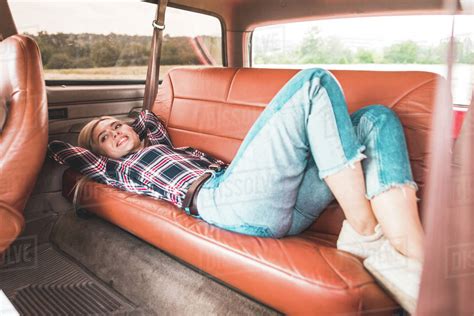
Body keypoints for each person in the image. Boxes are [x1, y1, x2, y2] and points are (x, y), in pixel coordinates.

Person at [49, 68, 424, 312]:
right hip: (222, 199)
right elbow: (61, 149)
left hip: (284, 206)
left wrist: (128, 124)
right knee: (314, 81)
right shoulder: (117, 169)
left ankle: (415, 258)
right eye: (105, 136)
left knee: (376, 118)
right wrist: (95, 142)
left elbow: (146, 117)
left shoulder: (157, 143)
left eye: (117, 125)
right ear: (99, 152)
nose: (116, 132)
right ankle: (363, 230)